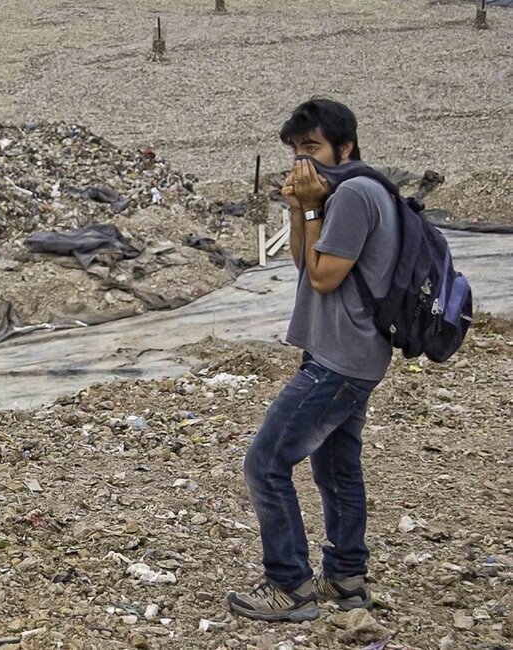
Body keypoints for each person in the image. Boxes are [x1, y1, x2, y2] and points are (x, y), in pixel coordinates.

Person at [227, 98, 400, 622]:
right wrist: (301, 206)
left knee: (265, 462)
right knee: (336, 466)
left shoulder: (355, 195)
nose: (305, 160)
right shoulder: (340, 193)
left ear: (344, 147)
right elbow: (305, 260)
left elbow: (325, 279)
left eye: (314, 148)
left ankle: (290, 586)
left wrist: (312, 204)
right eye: (297, 150)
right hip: (344, 353)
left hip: (340, 360)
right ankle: (347, 579)